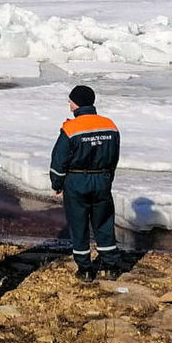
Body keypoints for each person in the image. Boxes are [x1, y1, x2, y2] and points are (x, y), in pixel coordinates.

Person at [50, 85, 121, 283]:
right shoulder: (110, 125)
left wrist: (57, 184)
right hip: (102, 179)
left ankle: (85, 268)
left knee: (79, 223)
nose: (68, 103)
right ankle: (111, 264)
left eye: (70, 100)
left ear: (77, 103)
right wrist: (108, 178)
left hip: (77, 180)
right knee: (104, 222)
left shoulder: (71, 128)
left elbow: (59, 160)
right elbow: (114, 156)